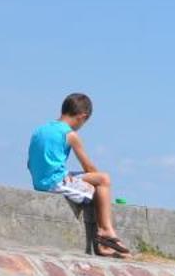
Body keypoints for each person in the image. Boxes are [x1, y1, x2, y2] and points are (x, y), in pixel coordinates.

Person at [25, 92, 128, 257]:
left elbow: (31, 163)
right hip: (55, 182)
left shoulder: (40, 130)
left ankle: (104, 237)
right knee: (102, 183)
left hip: (41, 179)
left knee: (100, 180)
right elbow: (89, 168)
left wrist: (66, 174)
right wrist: (84, 181)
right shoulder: (70, 135)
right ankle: (105, 232)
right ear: (82, 117)